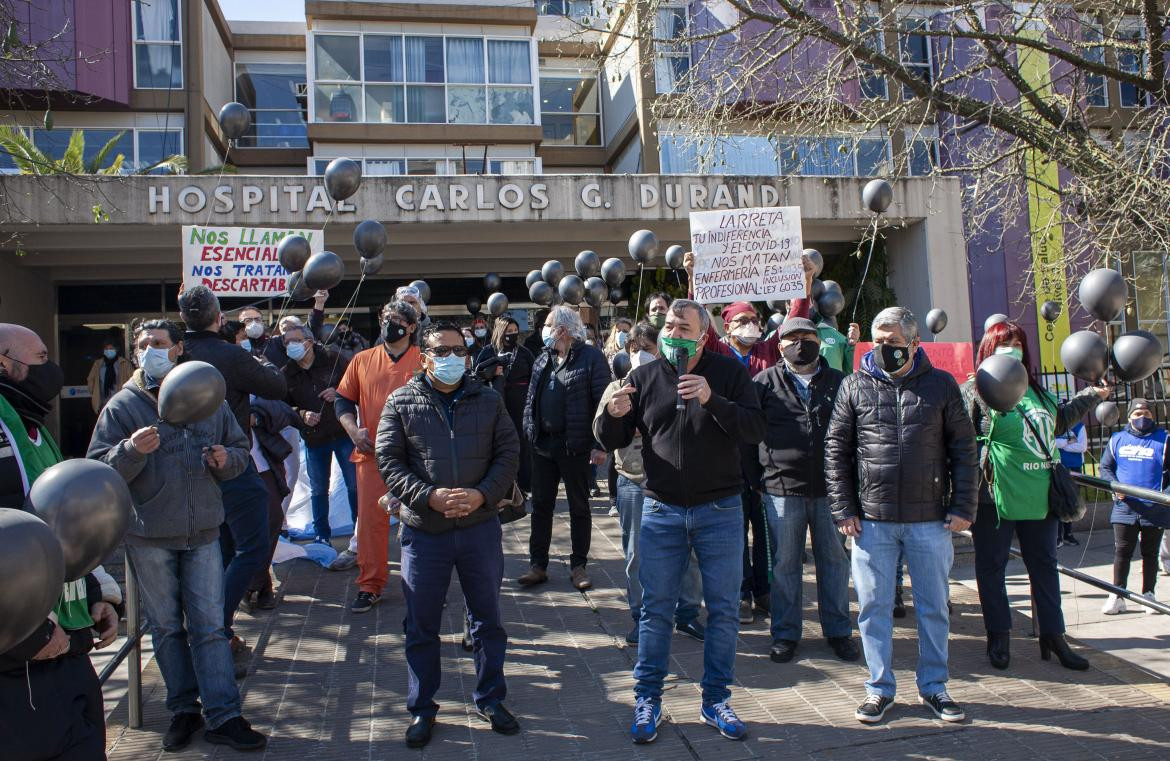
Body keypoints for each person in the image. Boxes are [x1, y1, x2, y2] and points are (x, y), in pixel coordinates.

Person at [87, 319, 268, 752]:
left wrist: (226, 459)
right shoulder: (122, 406)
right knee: (167, 629)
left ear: (178, 348)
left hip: (204, 531)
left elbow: (241, 452)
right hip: (149, 537)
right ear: (135, 352)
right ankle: (183, 710)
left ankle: (224, 715)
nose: (152, 349)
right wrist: (130, 451)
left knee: (209, 626)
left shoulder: (207, 393)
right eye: (144, 344)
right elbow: (97, 471)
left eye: (160, 343)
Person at [598, 298, 765, 744]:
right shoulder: (645, 376)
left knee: (724, 610)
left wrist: (713, 400)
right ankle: (647, 699)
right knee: (655, 611)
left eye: (682, 326)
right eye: (668, 324)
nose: (672, 332)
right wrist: (611, 416)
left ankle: (715, 700)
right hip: (661, 510)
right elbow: (613, 437)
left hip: (721, 511)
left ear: (703, 335)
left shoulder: (729, 373)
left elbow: (753, 429)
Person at [825, 307, 976, 725]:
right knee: (873, 608)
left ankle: (935, 687)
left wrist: (964, 506)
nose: (883, 347)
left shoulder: (942, 385)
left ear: (913, 343)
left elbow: (964, 450)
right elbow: (836, 452)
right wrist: (843, 510)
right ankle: (879, 689)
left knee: (933, 607)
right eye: (877, 340)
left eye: (892, 341)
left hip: (930, 520)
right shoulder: (854, 385)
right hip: (871, 522)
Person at [376, 321, 521, 748]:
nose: (452, 358)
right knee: (421, 624)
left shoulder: (489, 400)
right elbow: (389, 460)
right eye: (442, 351)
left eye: (459, 350)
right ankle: (422, 708)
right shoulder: (401, 402)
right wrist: (429, 496)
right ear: (424, 357)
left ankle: (491, 698)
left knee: (487, 620)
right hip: (425, 533)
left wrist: (481, 495)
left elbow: (509, 453)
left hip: (479, 529)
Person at [0, 322, 121, 761]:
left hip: (66, 646)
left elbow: (60, 529)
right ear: (4, 363)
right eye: (39, 360)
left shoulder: (34, 427)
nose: (50, 369)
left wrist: (93, 594)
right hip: (17, 662)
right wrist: (23, 638)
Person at [962, 321, 1103, 671]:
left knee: (1044, 567)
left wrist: (1091, 396)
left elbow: (1055, 423)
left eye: (1017, 342)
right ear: (987, 349)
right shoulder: (975, 390)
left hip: (1041, 496)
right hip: (993, 497)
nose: (1012, 348)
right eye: (1003, 343)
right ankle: (998, 636)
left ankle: (1054, 637)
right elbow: (958, 439)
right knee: (992, 568)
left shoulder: (1038, 391)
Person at [177, 286, 288, 664]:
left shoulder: (176, 353)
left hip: (184, 468)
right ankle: (214, 628)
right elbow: (276, 385)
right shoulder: (228, 355)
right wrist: (259, 358)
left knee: (221, 549)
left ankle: (215, 627)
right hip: (230, 464)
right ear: (219, 317)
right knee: (252, 547)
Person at [754, 316, 858, 664]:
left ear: (819, 339)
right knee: (785, 564)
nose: (801, 343)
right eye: (792, 337)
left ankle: (839, 631)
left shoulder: (841, 382)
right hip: (781, 489)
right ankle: (785, 634)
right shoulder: (763, 383)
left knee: (835, 560)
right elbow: (749, 433)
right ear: (779, 345)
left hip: (832, 489)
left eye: (808, 336)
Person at [595, 321, 704, 646]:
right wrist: (617, 416)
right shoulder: (619, 387)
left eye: (648, 349)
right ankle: (642, 618)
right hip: (633, 482)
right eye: (634, 350)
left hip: (678, 482)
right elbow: (600, 431)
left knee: (689, 552)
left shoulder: (680, 383)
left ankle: (687, 614)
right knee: (637, 554)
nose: (641, 356)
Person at [336, 300, 423, 612]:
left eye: (398, 319)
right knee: (372, 523)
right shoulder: (361, 360)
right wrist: (353, 431)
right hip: (372, 456)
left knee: (422, 521)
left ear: (412, 327)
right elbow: (342, 401)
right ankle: (370, 585)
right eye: (386, 316)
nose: (390, 323)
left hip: (418, 460)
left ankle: (426, 585)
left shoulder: (425, 360)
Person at [518, 305, 609, 591]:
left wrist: (600, 444)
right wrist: (529, 430)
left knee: (579, 507)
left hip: (576, 447)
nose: (544, 329)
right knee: (541, 506)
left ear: (564, 330)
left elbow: (603, 404)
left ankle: (578, 566)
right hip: (543, 446)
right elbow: (531, 397)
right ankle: (538, 565)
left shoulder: (591, 358)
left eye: (548, 324)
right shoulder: (542, 358)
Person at [282, 324, 357, 547]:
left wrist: (340, 392)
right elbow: (282, 407)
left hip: (343, 432)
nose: (291, 346)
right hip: (314, 438)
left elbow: (356, 385)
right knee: (318, 489)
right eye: (286, 342)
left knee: (354, 485)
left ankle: (359, 532)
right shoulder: (287, 373)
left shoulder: (334, 358)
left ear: (309, 341)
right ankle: (321, 535)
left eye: (296, 340)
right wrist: (302, 414)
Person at [1099, 399, 1169, 615]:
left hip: (1154, 509)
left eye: (1147, 413)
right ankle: (1117, 594)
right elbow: (1105, 467)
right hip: (1124, 508)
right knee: (1122, 552)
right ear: (1129, 416)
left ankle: (1148, 595)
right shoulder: (1117, 439)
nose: (1142, 417)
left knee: (1150, 553)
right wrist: (1115, 488)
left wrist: (1165, 497)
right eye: (1137, 413)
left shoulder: (1164, 439)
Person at [246, 394, 300, 612]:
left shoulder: (257, 379)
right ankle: (259, 585)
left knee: (273, 519)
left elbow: (283, 409)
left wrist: (257, 417)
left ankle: (254, 584)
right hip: (234, 464)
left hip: (264, 464)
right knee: (246, 530)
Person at [475, 316, 536, 493]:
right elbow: (475, 376)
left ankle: (525, 484)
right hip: (494, 401)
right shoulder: (488, 351)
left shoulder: (524, 352)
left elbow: (534, 377)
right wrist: (492, 372)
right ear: (500, 332)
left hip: (520, 403)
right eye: (508, 331)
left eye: (515, 331)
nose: (512, 335)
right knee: (497, 443)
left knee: (522, 444)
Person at [1055, 421, 1087, 547]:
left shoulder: (1079, 426)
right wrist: (1067, 442)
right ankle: (1057, 535)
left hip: (1074, 466)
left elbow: (1082, 446)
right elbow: (1051, 443)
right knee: (1057, 500)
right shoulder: (1054, 423)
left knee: (1071, 501)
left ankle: (1068, 533)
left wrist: (1061, 445)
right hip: (1057, 465)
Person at [86, 336, 134, 413]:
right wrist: (95, 393)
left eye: (111, 349)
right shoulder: (98, 364)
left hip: (121, 402)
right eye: (106, 349)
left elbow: (132, 380)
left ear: (116, 350)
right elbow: (90, 380)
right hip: (102, 402)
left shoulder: (124, 364)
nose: (109, 351)